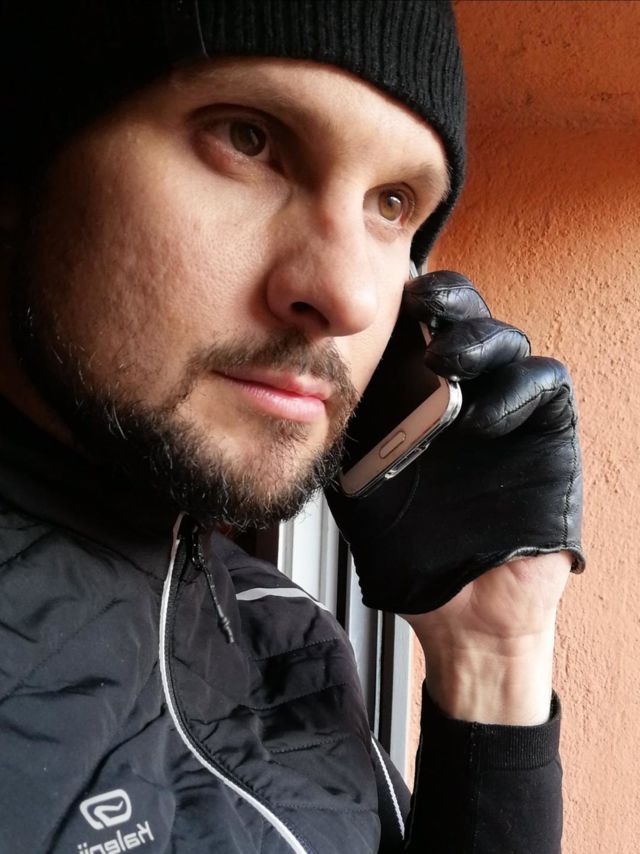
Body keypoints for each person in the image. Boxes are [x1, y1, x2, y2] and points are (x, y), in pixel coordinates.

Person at [0, 2, 584, 852]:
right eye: (247, 138)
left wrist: (494, 654)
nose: (348, 296)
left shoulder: (285, 631)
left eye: (392, 203)